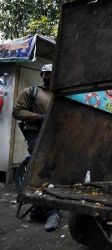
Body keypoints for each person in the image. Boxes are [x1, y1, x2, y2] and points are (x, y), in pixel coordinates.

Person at [12, 64, 61, 232]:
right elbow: (17, 111)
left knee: (54, 170)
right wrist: (38, 117)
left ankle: (38, 210)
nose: (49, 77)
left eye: (52, 74)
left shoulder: (59, 93)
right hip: (36, 135)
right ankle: (53, 211)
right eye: (47, 74)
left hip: (54, 136)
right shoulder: (31, 92)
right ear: (42, 75)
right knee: (44, 169)